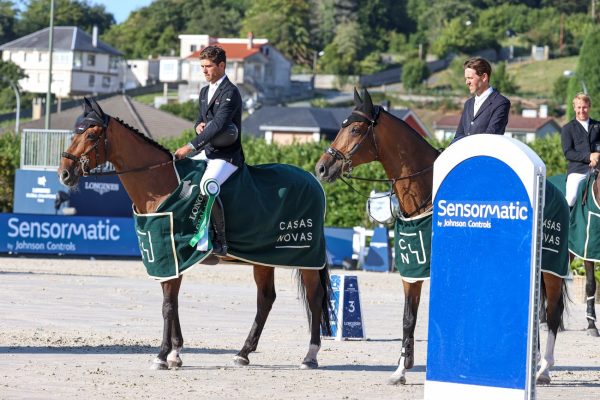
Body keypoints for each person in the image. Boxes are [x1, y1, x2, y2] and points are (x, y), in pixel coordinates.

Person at [174, 45, 244, 256]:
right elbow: (201, 119)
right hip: (208, 151)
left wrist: (190, 145)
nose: (204, 71)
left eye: (208, 66)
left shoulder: (231, 92)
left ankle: (220, 241)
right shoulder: (205, 91)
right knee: (183, 175)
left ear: (221, 65)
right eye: (202, 66)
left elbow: (218, 125)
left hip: (226, 156)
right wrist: (197, 126)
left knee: (207, 186)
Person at [452, 57, 511, 143]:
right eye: (466, 78)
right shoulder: (468, 104)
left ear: (484, 77)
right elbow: (459, 135)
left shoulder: (501, 103)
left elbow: (490, 137)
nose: (467, 82)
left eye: (470, 78)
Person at [561, 93, 600, 207]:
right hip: (578, 171)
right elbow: (568, 153)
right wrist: (589, 157)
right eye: (579, 107)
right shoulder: (567, 128)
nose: (582, 110)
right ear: (574, 107)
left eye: (585, 107)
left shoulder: (598, 126)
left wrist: (597, 157)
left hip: (598, 169)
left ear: (589, 107)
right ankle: (568, 222)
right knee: (571, 199)